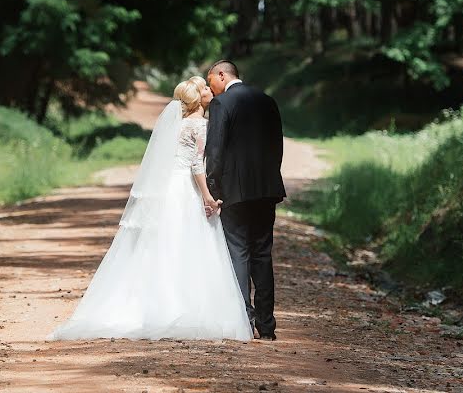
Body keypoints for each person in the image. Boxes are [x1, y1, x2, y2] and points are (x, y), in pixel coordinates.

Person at [47, 77, 252, 341]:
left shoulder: (177, 125)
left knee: (163, 245)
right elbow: (197, 166)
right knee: (188, 245)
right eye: (204, 88)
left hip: (170, 189)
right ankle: (184, 308)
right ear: (197, 98)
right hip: (187, 190)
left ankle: (153, 304)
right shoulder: (200, 125)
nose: (209, 91)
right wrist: (209, 197)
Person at [205, 60, 285, 340]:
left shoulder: (222, 104)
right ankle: (267, 325)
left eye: (210, 80)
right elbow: (278, 144)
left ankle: (244, 318)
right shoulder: (267, 100)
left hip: (234, 192)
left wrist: (213, 190)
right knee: (263, 254)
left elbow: (214, 152)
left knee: (238, 252)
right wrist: (271, 178)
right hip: (266, 189)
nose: (209, 88)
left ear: (222, 75)